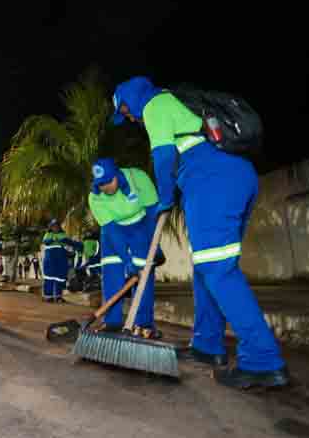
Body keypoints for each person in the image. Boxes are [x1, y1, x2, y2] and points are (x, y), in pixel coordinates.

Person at [112, 76, 288, 389]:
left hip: (211, 178)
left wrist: (165, 197)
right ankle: (207, 345)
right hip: (236, 175)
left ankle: (263, 360)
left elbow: (163, 156)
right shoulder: (174, 103)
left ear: (133, 99)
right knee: (205, 267)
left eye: (125, 111)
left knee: (217, 270)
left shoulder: (153, 105)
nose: (129, 118)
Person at [87, 158, 165, 337]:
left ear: (117, 173)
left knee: (143, 275)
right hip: (114, 231)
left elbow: (152, 214)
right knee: (112, 273)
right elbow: (111, 231)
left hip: (141, 226)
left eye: (109, 181)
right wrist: (126, 259)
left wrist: (155, 244)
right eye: (101, 184)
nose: (106, 187)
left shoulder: (139, 179)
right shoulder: (95, 197)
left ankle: (143, 324)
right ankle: (112, 322)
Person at [41, 220, 81, 303]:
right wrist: (55, 239)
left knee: (60, 279)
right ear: (50, 227)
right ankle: (48, 296)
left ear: (59, 227)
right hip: (50, 261)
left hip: (61, 261)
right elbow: (46, 242)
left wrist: (73, 248)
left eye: (57, 226)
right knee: (49, 278)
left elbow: (68, 243)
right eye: (53, 226)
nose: (55, 228)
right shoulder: (48, 234)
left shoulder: (63, 235)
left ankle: (58, 296)